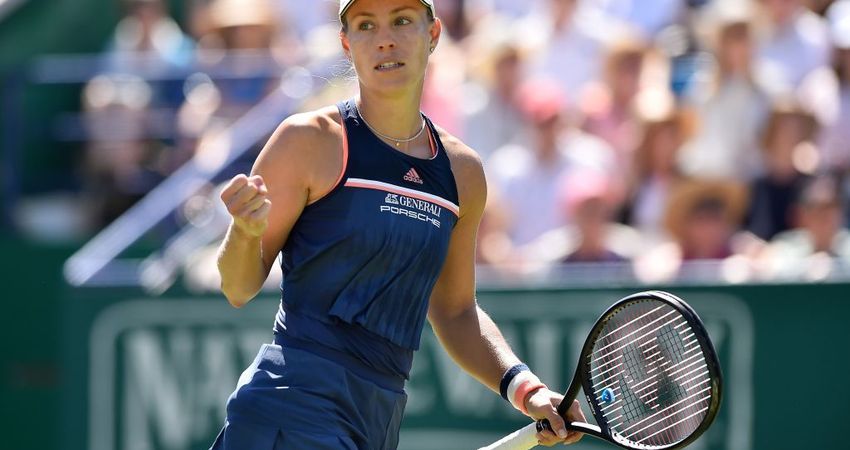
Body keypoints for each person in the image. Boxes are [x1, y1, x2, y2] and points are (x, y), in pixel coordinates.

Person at [212, 1, 586, 449]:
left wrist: (526, 388)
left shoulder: (462, 173)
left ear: (433, 35)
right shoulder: (308, 140)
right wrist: (245, 232)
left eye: (402, 20)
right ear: (347, 45)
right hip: (293, 404)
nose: (385, 38)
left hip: (379, 418)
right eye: (366, 25)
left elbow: (455, 310)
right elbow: (237, 287)